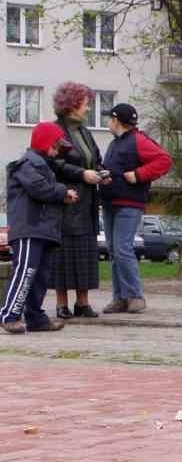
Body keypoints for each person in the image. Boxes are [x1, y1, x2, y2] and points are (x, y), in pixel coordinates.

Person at [0, 123, 79, 334]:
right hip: (29, 228)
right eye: (55, 145)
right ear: (44, 143)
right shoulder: (27, 164)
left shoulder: (43, 165)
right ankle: (9, 315)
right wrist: (63, 192)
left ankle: (35, 317)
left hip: (43, 230)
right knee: (25, 272)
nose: (57, 150)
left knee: (40, 275)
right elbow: (39, 189)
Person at [99, 103, 172, 314]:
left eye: (108, 119)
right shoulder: (115, 144)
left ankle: (135, 296)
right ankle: (120, 297)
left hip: (129, 203)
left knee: (122, 248)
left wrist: (139, 175)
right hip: (111, 201)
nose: (107, 123)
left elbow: (164, 160)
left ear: (116, 121)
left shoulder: (138, 140)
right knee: (114, 250)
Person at [49, 82, 105, 320]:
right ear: (72, 105)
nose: (88, 108)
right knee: (63, 253)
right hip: (67, 200)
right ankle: (62, 304)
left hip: (88, 201)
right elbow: (55, 163)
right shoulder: (56, 131)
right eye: (86, 103)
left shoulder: (84, 131)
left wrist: (102, 173)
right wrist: (82, 174)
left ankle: (83, 303)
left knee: (85, 252)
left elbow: (95, 159)